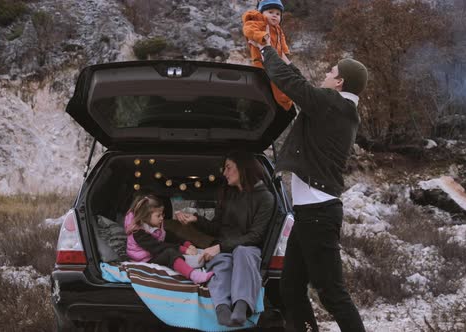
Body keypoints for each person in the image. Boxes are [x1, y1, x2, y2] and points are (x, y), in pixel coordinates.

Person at [248, 32, 368, 332]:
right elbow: (304, 87)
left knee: (332, 293)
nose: (327, 75)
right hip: (309, 215)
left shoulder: (331, 105)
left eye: (331, 72)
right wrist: (283, 55)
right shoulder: (340, 107)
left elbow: (295, 87)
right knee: (290, 287)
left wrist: (265, 49)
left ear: (339, 83)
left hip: (318, 214)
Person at [174, 151, 275, 327]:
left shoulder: (265, 197)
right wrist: (196, 219)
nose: (224, 173)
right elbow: (217, 228)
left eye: (228, 168)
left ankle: (241, 307)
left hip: (248, 247)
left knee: (243, 253)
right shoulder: (228, 194)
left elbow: (256, 236)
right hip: (223, 247)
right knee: (221, 263)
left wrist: (220, 247)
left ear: (243, 168)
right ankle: (222, 309)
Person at [125, 194, 214, 284]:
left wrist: (187, 244)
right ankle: (194, 275)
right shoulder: (138, 232)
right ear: (146, 216)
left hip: (152, 254)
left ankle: (198, 264)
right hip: (144, 260)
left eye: (162, 214)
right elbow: (158, 247)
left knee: (186, 249)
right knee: (170, 253)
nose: (162, 218)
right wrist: (183, 250)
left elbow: (169, 236)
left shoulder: (155, 224)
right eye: (158, 215)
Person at [242, 0, 293, 111]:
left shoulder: (278, 28)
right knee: (275, 82)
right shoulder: (259, 22)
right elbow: (248, 29)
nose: (274, 15)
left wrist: (284, 50)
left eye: (278, 14)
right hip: (262, 60)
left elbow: (281, 39)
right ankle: (285, 103)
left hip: (275, 59)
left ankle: (282, 102)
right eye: (270, 12)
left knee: (280, 80)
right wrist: (262, 36)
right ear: (262, 13)